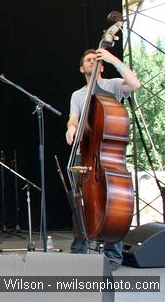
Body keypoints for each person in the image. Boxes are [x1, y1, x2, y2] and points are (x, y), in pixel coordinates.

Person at [65, 48, 141, 271]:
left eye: (95, 59)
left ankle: (112, 254)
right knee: (80, 201)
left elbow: (135, 85)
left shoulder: (114, 85)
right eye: (87, 59)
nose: (92, 61)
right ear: (82, 68)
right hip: (86, 152)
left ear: (101, 65)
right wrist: (71, 129)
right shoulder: (78, 95)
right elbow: (74, 117)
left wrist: (113, 59)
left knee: (112, 201)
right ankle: (79, 250)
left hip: (108, 155)